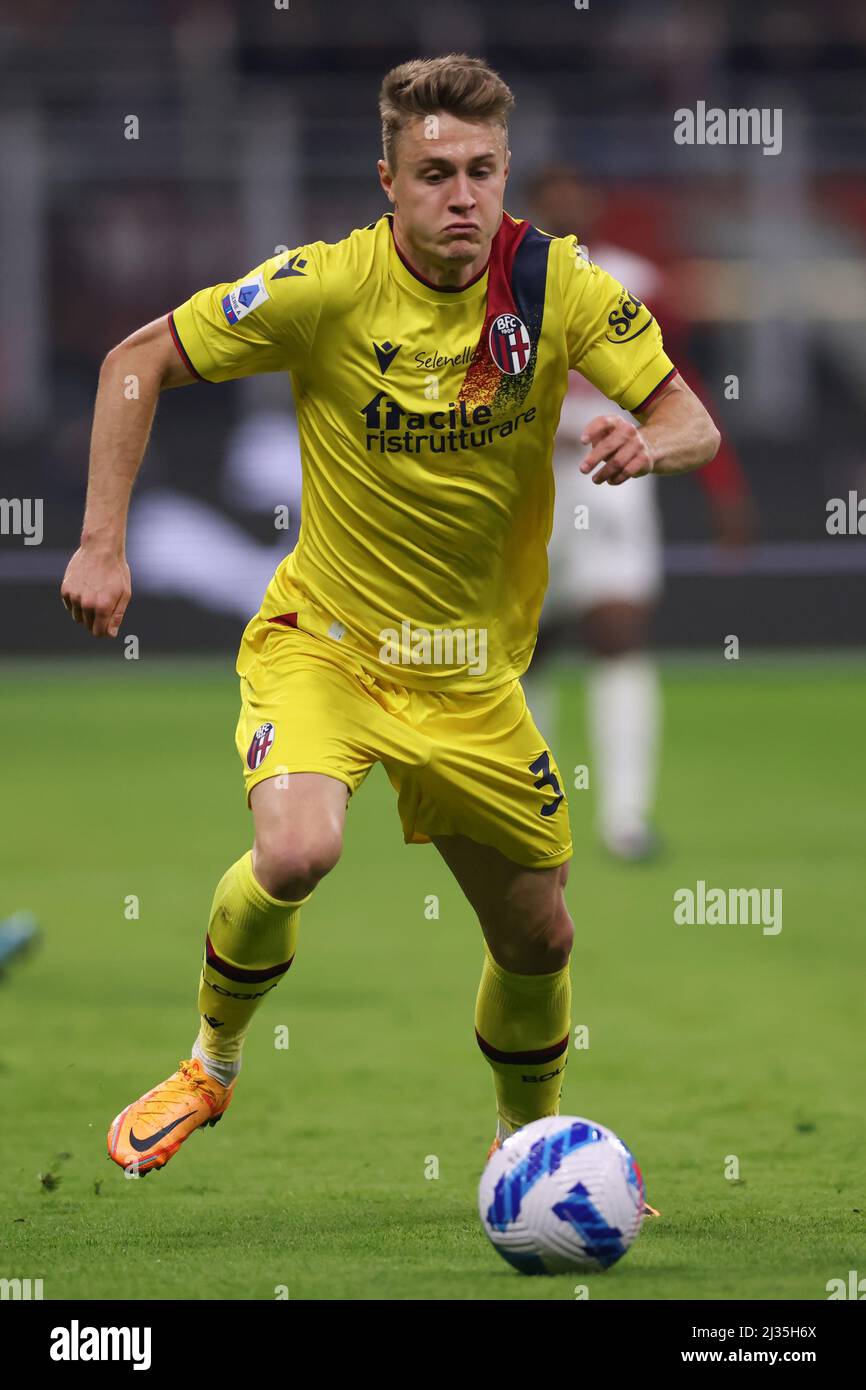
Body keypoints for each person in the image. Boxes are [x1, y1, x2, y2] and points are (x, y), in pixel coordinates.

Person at [60, 56, 719, 1207]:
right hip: (327, 643)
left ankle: (528, 1151)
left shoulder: (553, 284)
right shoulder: (322, 286)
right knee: (299, 847)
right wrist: (100, 543)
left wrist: (646, 443)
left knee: (540, 940)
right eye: (432, 175)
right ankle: (208, 1066)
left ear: (504, 173)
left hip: (470, 677)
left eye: (479, 172)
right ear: (388, 182)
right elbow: (136, 361)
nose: (460, 196)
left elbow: (685, 415)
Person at [526, 168, 753, 860]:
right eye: (553, 198)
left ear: (596, 204)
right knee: (523, 649)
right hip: (527, 484)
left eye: (578, 195)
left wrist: (723, 485)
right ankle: (529, 813)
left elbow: (678, 388)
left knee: (618, 629)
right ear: (533, 208)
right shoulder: (498, 285)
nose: (568, 207)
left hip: (617, 478)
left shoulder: (637, 283)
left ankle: (626, 819)